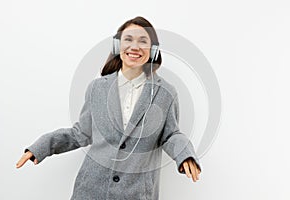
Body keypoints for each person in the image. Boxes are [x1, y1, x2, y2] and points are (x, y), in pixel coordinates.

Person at [16, 16, 202, 200]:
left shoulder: (165, 92)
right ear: (117, 46)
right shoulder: (97, 88)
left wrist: (185, 155)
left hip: (137, 193)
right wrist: (42, 146)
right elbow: (81, 133)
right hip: (90, 191)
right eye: (128, 39)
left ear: (153, 50)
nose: (135, 47)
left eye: (143, 41)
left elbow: (171, 135)